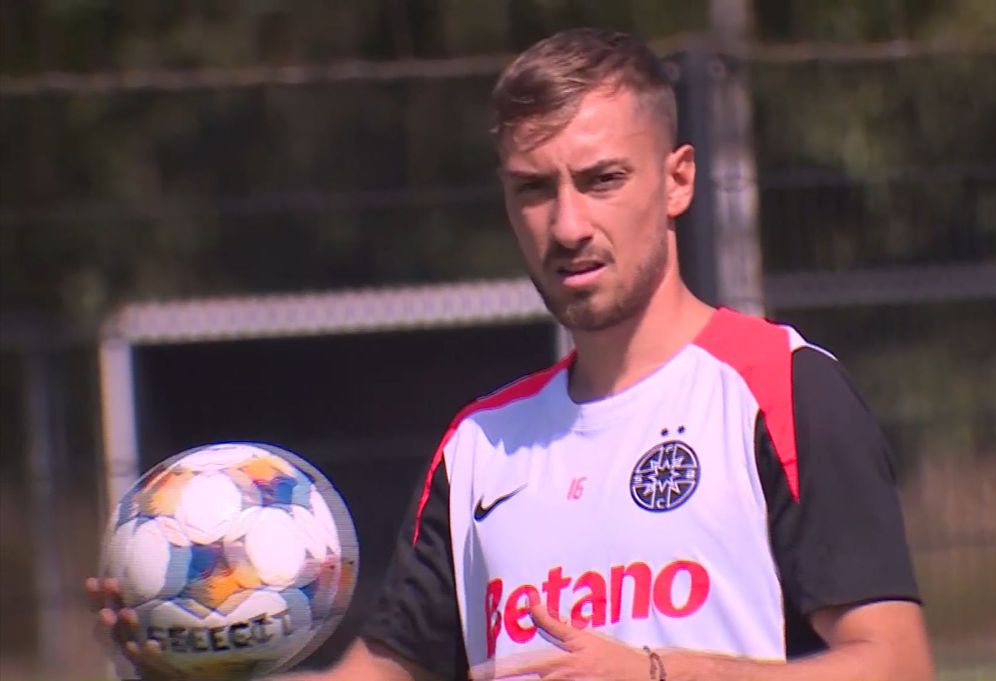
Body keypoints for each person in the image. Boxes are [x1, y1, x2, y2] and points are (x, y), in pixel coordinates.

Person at [90, 27, 934, 681]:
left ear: (677, 180)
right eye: (534, 189)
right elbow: (382, 672)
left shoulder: (779, 387)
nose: (567, 225)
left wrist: (656, 672)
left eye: (601, 180)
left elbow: (895, 662)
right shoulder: (480, 446)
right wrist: (189, 660)